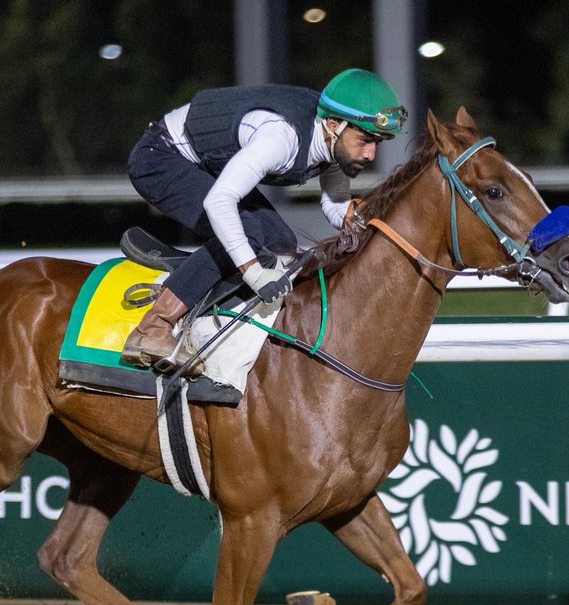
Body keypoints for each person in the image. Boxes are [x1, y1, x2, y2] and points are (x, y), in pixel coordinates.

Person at [122, 68, 407, 376]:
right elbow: (219, 202)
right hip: (159, 159)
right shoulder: (280, 138)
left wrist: (359, 219)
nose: (369, 153)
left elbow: (335, 203)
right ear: (333, 125)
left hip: (206, 166)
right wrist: (253, 272)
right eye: (364, 140)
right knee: (250, 238)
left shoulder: (332, 139)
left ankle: (205, 304)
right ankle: (153, 327)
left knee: (282, 244)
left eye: (377, 141)